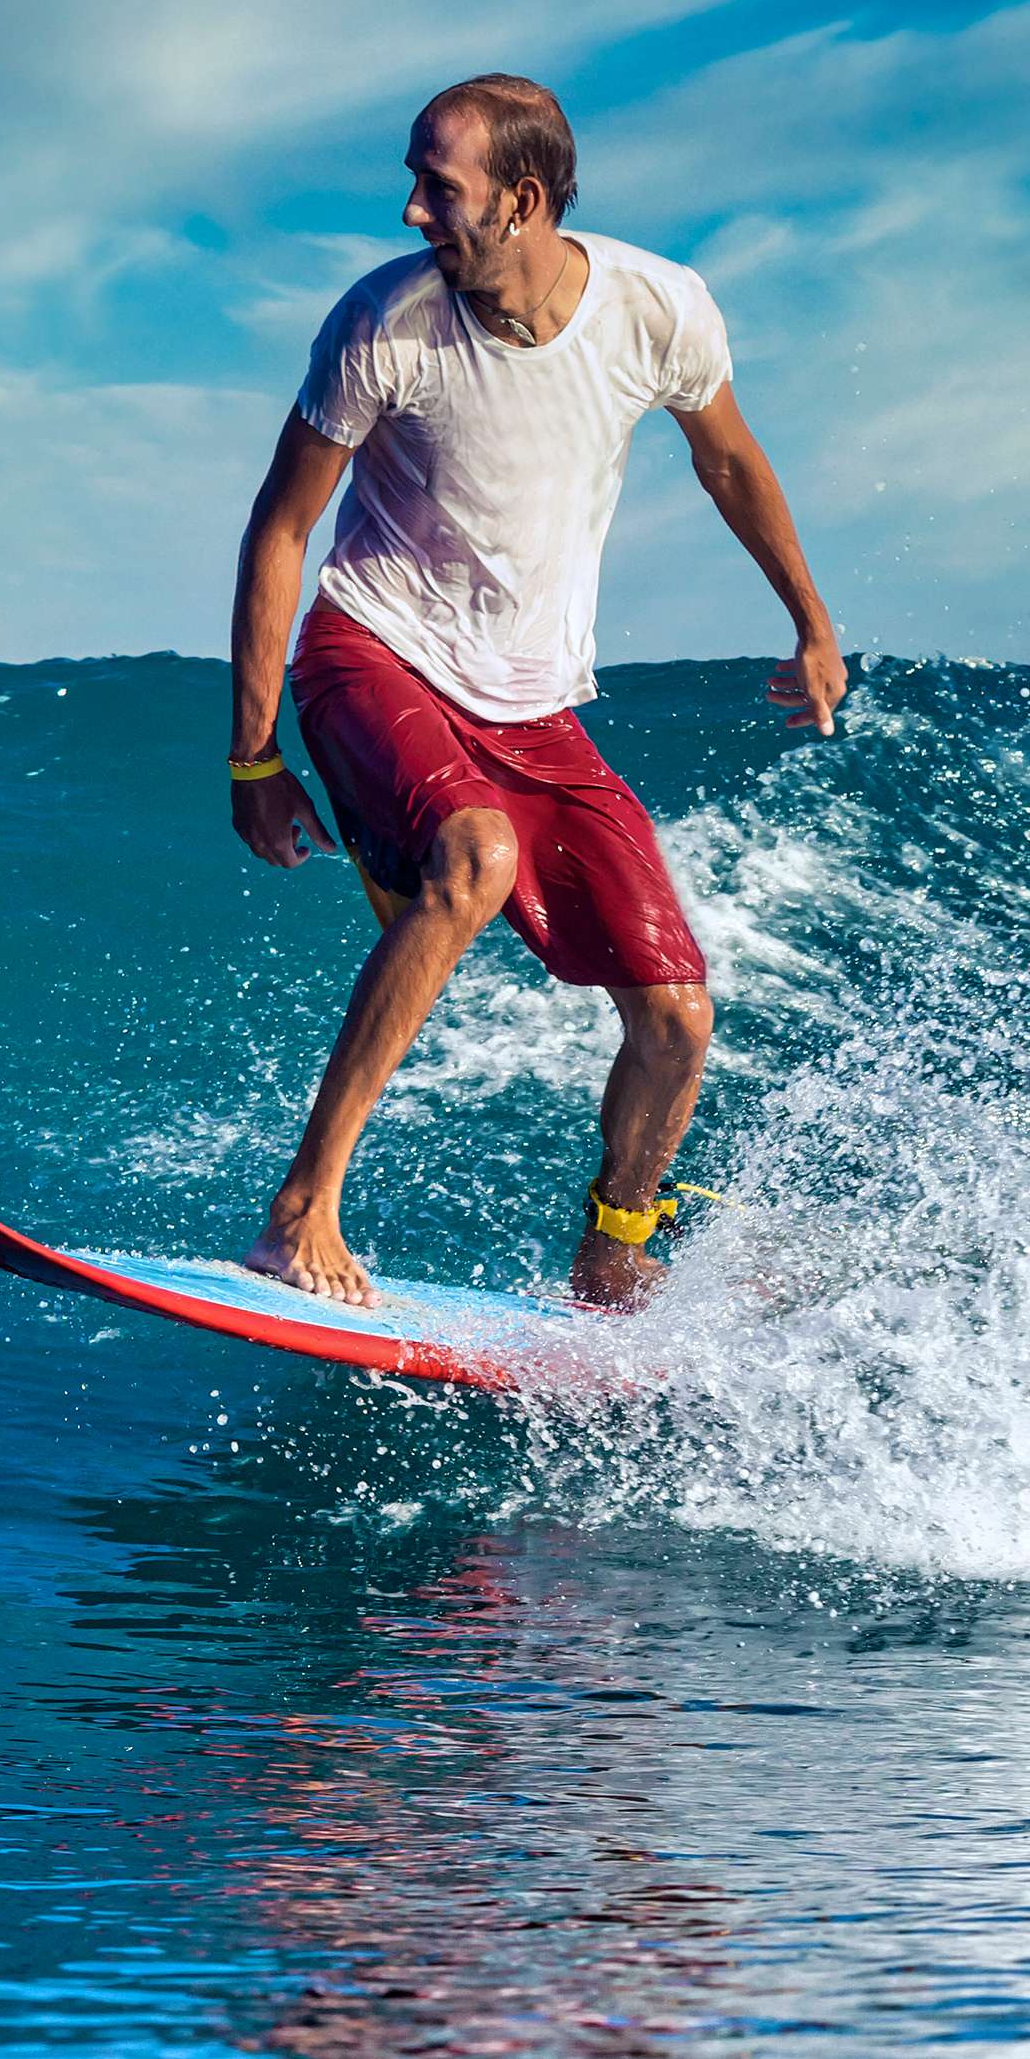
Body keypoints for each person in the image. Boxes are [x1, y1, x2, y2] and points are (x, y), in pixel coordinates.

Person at [226, 74, 845, 1309]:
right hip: (376, 648)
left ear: (521, 200)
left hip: (533, 699)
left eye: (436, 188)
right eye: (411, 181)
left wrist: (811, 622)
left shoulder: (657, 309)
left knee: (676, 1016)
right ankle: (302, 1209)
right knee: (476, 855)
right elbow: (281, 531)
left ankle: (612, 1259)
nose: (410, 212)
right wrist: (253, 756)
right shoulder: (383, 325)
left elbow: (726, 457)